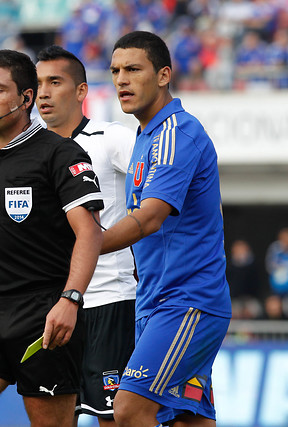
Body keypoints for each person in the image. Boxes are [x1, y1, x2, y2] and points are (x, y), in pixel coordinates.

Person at [0, 49, 104, 427]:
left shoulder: (60, 154)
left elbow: (90, 232)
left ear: (26, 98)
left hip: (43, 317)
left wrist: (70, 299)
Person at [102, 31, 231, 426]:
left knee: (128, 410)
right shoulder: (145, 136)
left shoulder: (177, 132)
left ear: (163, 75)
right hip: (158, 303)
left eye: (133, 69)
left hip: (187, 303)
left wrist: (85, 246)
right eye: (115, 70)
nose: (122, 79)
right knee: (187, 420)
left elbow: (149, 218)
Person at [35, 44, 137, 426]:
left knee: (114, 417)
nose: (43, 92)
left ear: (81, 91)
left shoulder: (110, 138)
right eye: (38, 83)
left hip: (107, 299)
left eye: (55, 82)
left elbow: (166, 187)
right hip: (50, 305)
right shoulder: (26, 153)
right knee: (53, 416)